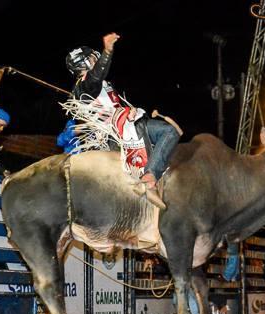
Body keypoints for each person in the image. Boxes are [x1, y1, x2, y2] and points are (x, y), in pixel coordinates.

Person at [66, 33, 180, 210]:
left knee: (169, 134)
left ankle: (150, 176)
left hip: (126, 125)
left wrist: (128, 111)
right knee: (168, 132)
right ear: (85, 63)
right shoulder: (85, 86)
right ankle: (148, 180)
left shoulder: (96, 85)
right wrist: (107, 51)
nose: (95, 57)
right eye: (92, 57)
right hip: (116, 136)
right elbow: (95, 76)